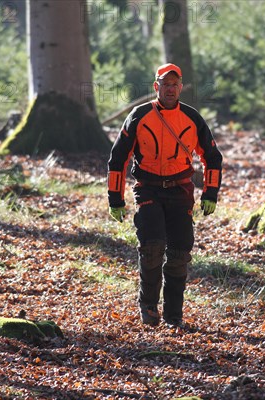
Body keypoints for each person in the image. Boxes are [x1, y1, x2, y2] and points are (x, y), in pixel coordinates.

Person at [107, 63, 223, 327]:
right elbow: (118, 158)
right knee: (152, 248)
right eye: (164, 84)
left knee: (180, 253)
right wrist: (116, 198)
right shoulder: (139, 115)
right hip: (148, 188)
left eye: (174, 84)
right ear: (155, 87)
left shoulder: (192, 118)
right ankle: (148, 307)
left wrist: (210, 193)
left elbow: (213, 157)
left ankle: (174, 315)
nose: (170, 89)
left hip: (181, 190)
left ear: (181, 87)